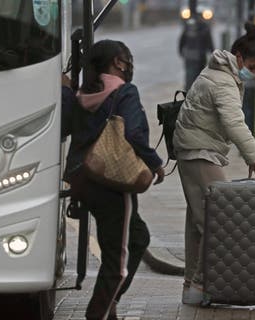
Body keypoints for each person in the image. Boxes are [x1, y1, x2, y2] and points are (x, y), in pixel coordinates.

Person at [61, 39, 165, 320]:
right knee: (116, 261)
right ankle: (99, 312)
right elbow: (134, 134)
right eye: (126, 59)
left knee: (138, 236)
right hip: (111, 183)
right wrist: (156, 164)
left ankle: (111, 305)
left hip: (82, 179)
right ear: (118, 62)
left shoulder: (80, 93)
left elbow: (64, 126)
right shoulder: (124, 92)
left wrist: (64, 89)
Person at [172, 22, 255, 305]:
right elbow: (235, 123)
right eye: (252, 65)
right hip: (200, 152)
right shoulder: (224, 81)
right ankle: (201, 286)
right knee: (219, 220)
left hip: (194, 150)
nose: (253, 72)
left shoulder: (216, 72)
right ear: (238, 57)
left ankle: (192, 286)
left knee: (199, 223)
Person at [178, 15, 214, 90]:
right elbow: (209, 42)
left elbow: (182, 40)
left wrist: (181, 51)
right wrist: (213, 53)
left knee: (189, 76)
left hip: (189, 56)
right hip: (200, 56)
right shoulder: (205, 27)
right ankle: (196, 92)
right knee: (199, 76)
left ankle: (188, 91)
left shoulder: (188, 27)